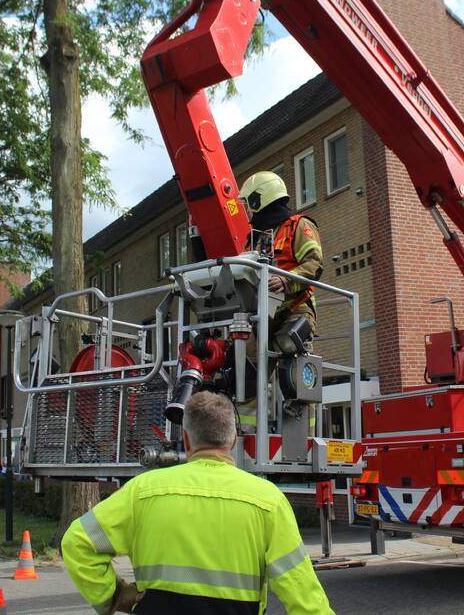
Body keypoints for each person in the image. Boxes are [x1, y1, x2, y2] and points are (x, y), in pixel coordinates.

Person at [61, 390, 333, 615]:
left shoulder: (142, 491)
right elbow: (304, 595)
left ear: (187, 439)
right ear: (233, 439)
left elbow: (77, 543)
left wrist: (115, 595)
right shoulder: (268, 501)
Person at [238, 171, 323, 334]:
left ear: (259, 200)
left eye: (248, 203)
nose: (247, 210)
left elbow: (315, 264)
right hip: (262, 315)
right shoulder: (255, 237)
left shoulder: (298, 225)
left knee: (286, 346)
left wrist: (285, 281)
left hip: (296, 309)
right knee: (236, 354)